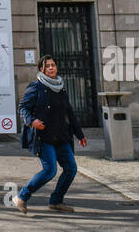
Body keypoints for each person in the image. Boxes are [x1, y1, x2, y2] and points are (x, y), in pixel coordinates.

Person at [12, 55, 88, 214]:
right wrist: (32, 121)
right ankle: (21, 197)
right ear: (42, 69)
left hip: (61, 136)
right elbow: (23, 108)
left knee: (71, 169)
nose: (52, 68)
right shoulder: (36, 87)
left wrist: (80, 135)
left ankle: (56, 201)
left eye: (53, 65)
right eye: (48, 66)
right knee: (50, 170)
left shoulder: (61, 87)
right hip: (44, 137)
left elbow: (69, 113)